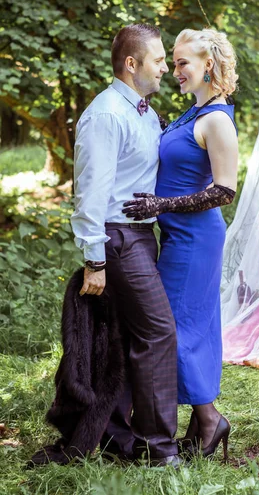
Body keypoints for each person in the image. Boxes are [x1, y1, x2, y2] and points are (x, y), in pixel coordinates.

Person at [122, 28, 239, 460]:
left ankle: (207, 420)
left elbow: (224, 191)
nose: (175, 71)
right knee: (180, 326)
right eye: (172, 63)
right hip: (176, 235)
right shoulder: (193, 113)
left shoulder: (217, 120)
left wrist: (160, 203)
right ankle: (203, 419)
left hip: (197, 238)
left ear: (208, 64)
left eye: (183, 62)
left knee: (176, 328)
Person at [70, 23, 181, 467]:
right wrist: (94, 260)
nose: (164, 69)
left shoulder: (143, 111)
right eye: (157, 60)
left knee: (125, 337)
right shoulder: (106, 115)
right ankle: (161, 451)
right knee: (158, 332)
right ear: (131, 64)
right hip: (117, 240)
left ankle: (121, 440)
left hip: (140, 236)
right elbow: (90, 195)